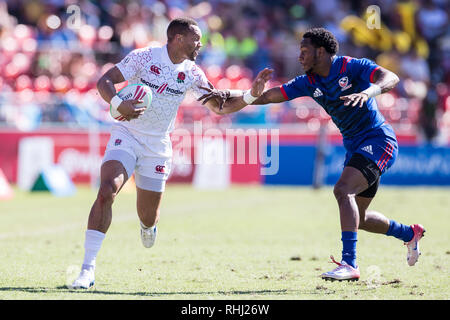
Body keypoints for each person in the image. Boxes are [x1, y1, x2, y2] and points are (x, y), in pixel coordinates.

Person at [199, 28, 425, 281]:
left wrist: (367, 92)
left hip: (378, 140)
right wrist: (234, 94)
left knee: (342, 190)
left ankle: (349, 264)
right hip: (355, 146)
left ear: (321, 51)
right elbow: (270, 96)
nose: (299, 57)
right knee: (358, 218)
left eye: (304, 51)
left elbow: (390, 77)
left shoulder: (352, 67)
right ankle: (409, 233)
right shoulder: (309, 81)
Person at [71, 17, 273, 289]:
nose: (200, 44)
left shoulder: (192, 73)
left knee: (147, 217)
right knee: (107, 189)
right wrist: (120, 103)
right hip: (127, 134)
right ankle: (87, 269)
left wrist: (250, 95)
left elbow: (220, 107)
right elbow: (104, 81)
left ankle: (148, 227)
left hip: (158, 146)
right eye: (196, 39)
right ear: (178, 38)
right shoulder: (143, 58)